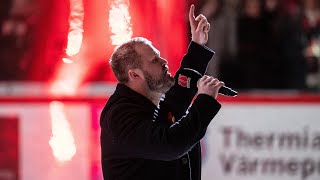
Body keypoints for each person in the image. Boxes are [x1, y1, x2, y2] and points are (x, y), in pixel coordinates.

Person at [100, 4, 224, 180]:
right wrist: (204, 102)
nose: (164, 61)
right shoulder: (120, 117)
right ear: (135, 74)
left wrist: (197, 46)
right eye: (154, 60)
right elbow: (170, 144)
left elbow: (177, 99)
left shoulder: (144, 103)